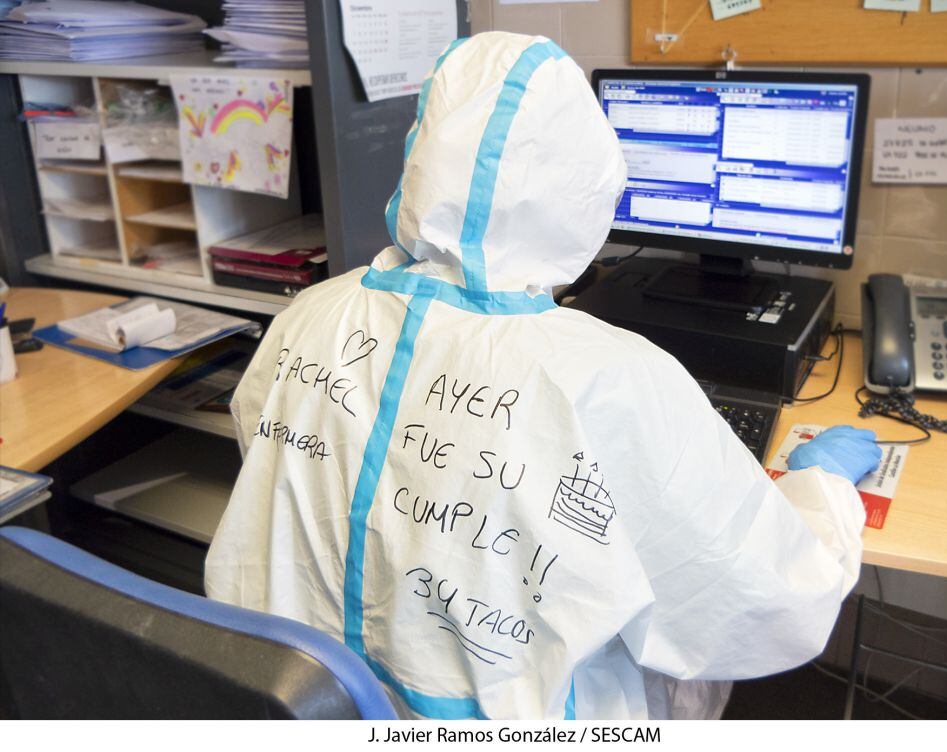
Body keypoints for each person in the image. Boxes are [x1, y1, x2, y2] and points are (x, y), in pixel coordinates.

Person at [205, 31, 881, 720]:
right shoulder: (613, 379)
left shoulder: (309, 316)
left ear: (420, 157)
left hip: (294, 701)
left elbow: (263, 448)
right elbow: (761, 602)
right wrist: (822, 488)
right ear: (586, 184)